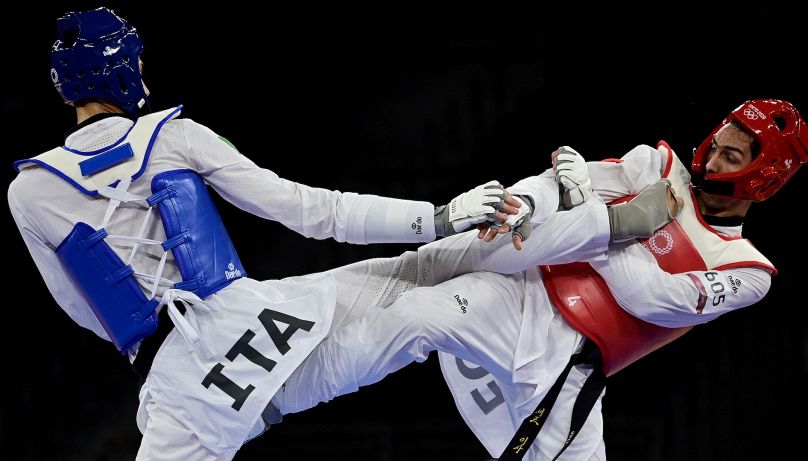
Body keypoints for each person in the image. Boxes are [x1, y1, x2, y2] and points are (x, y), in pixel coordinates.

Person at [7, 7, 680, 460]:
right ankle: (604, 221)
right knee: (432, 269)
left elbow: (79, 305)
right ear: (124, 69)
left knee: (427, 291)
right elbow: (310, 209)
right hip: (269, 323)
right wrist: (437, 212)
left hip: (183, 385)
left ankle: (588, 226)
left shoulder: (28, 188)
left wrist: (162, 349)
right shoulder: (175, 137)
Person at [261, 98, 808, 460]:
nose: (713, 156)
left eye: (732, 154)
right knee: (411, 313)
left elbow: (649, 298)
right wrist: (535, 202)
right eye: (718, 141)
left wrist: (599, 223)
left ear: (762, 176)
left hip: (566, 365)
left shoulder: (745, 270)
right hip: (522, 289)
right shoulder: (656, 166)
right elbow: (562, 182)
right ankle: (274, 398)